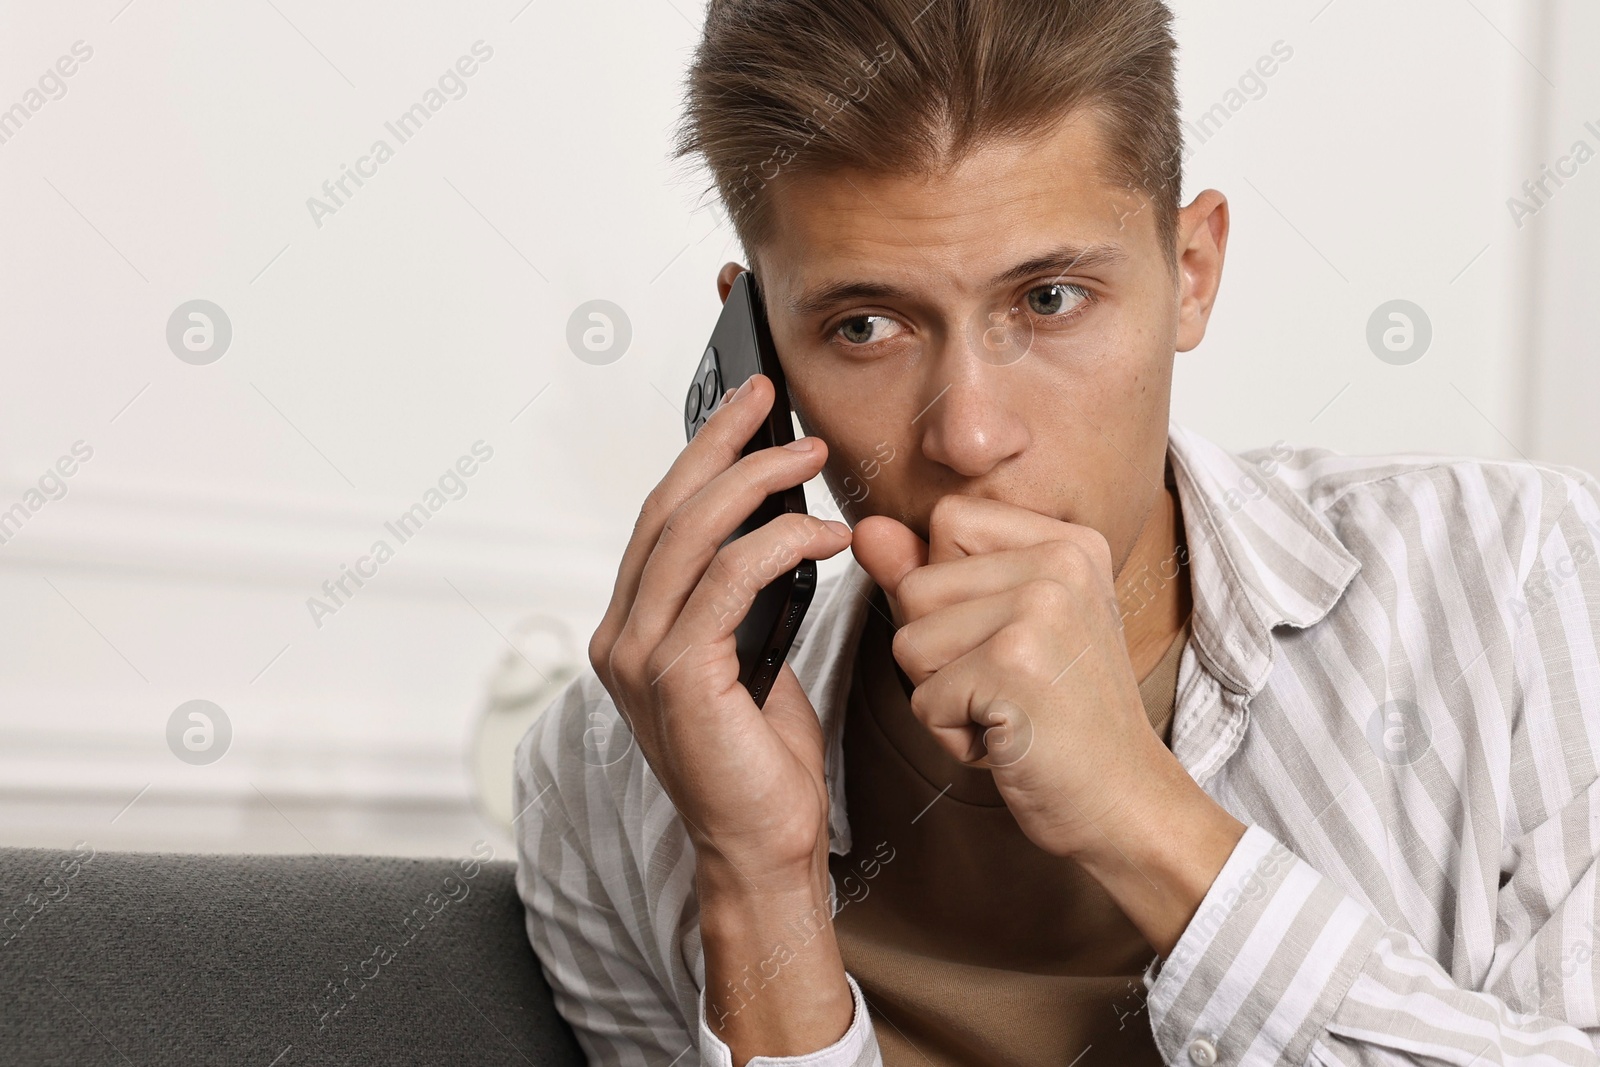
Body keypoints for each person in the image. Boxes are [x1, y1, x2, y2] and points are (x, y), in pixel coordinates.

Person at [514, 1, 1600, 1063]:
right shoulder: (615, 778)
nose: (970, 433)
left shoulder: (1526, 583)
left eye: (1048, 300)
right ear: (759, 356)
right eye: (863, 326)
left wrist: (1141, 817)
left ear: (1191, 272)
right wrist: (757, 885)